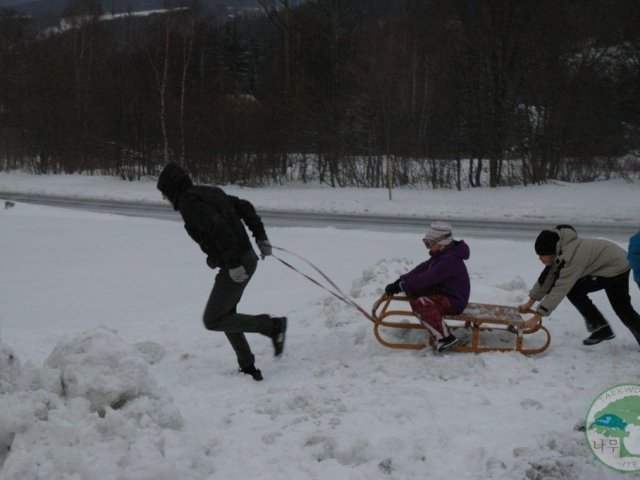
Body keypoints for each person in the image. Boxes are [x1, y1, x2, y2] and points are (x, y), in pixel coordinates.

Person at [157, 162, 286, 381]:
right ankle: (247, 365)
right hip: (243, 259)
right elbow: (244, 206)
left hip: (238, 263)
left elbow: (219, 229)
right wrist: (260, 236)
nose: (164, 199)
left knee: (213, 319)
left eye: (164, 193)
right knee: (226, 313)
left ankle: (272, 326)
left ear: (172, 189)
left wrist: (233, 263)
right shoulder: (208, 192)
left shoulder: (190, 204)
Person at [519, 225, 640, 346]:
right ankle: (601, 327)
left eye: (541, 255)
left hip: (614, 266)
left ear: (551, 251)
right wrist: (529, 303)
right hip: (618, 261)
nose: (540, 258)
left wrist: (537, 317)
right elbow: (546, 278)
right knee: (623, 308)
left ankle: (600, 327)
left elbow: (560, 288)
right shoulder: (560, 250)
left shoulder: (570, 257)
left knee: (574, 290)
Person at [385, 221, 471, 352]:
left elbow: (429, 277)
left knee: (422, 304)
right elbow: (421, 270)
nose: (428, 247)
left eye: (429, 243)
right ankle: (438, 329)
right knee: (415, 295)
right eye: (426, 243)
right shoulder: (442, 256)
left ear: (442, 243)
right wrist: (400, 281)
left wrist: (404, 286)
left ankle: (445, 338)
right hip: (445, 294)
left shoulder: (449, 260)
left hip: (454, 300)